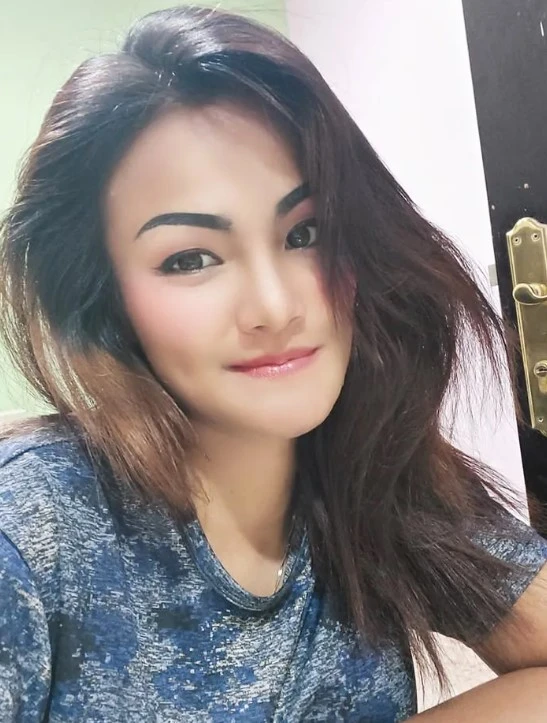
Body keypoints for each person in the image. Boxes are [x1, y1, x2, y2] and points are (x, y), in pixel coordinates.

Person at [0, 5, 546, 721]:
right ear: (103, 300)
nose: (275, 306)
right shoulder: (31, 526)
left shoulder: (372, 466)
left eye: (305, 232)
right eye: (189, 258)